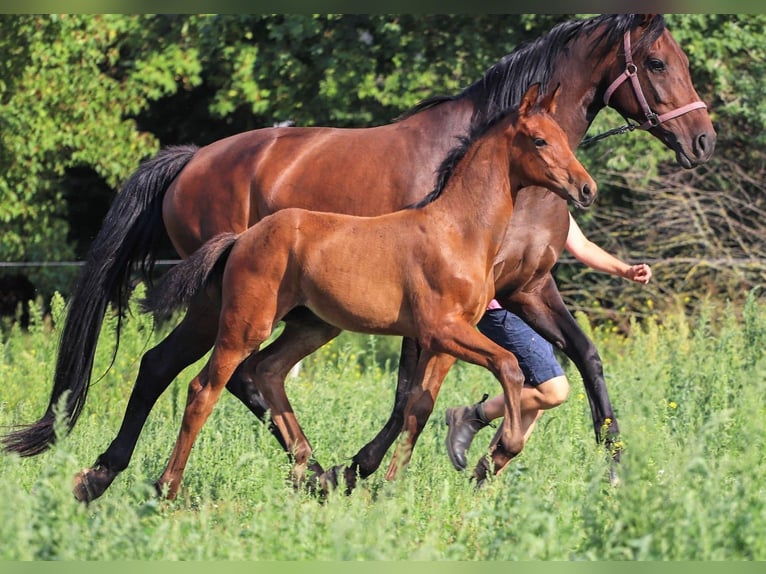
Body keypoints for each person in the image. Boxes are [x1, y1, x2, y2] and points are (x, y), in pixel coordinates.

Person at [445, 212, 652, 471]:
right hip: (503, 309)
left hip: (534, 307)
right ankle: (471, 416)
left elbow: (582, 246)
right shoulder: (508, 199)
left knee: (536, 399)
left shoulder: (549, 204)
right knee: (553, 390)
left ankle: (484, 478)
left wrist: (625, 270)